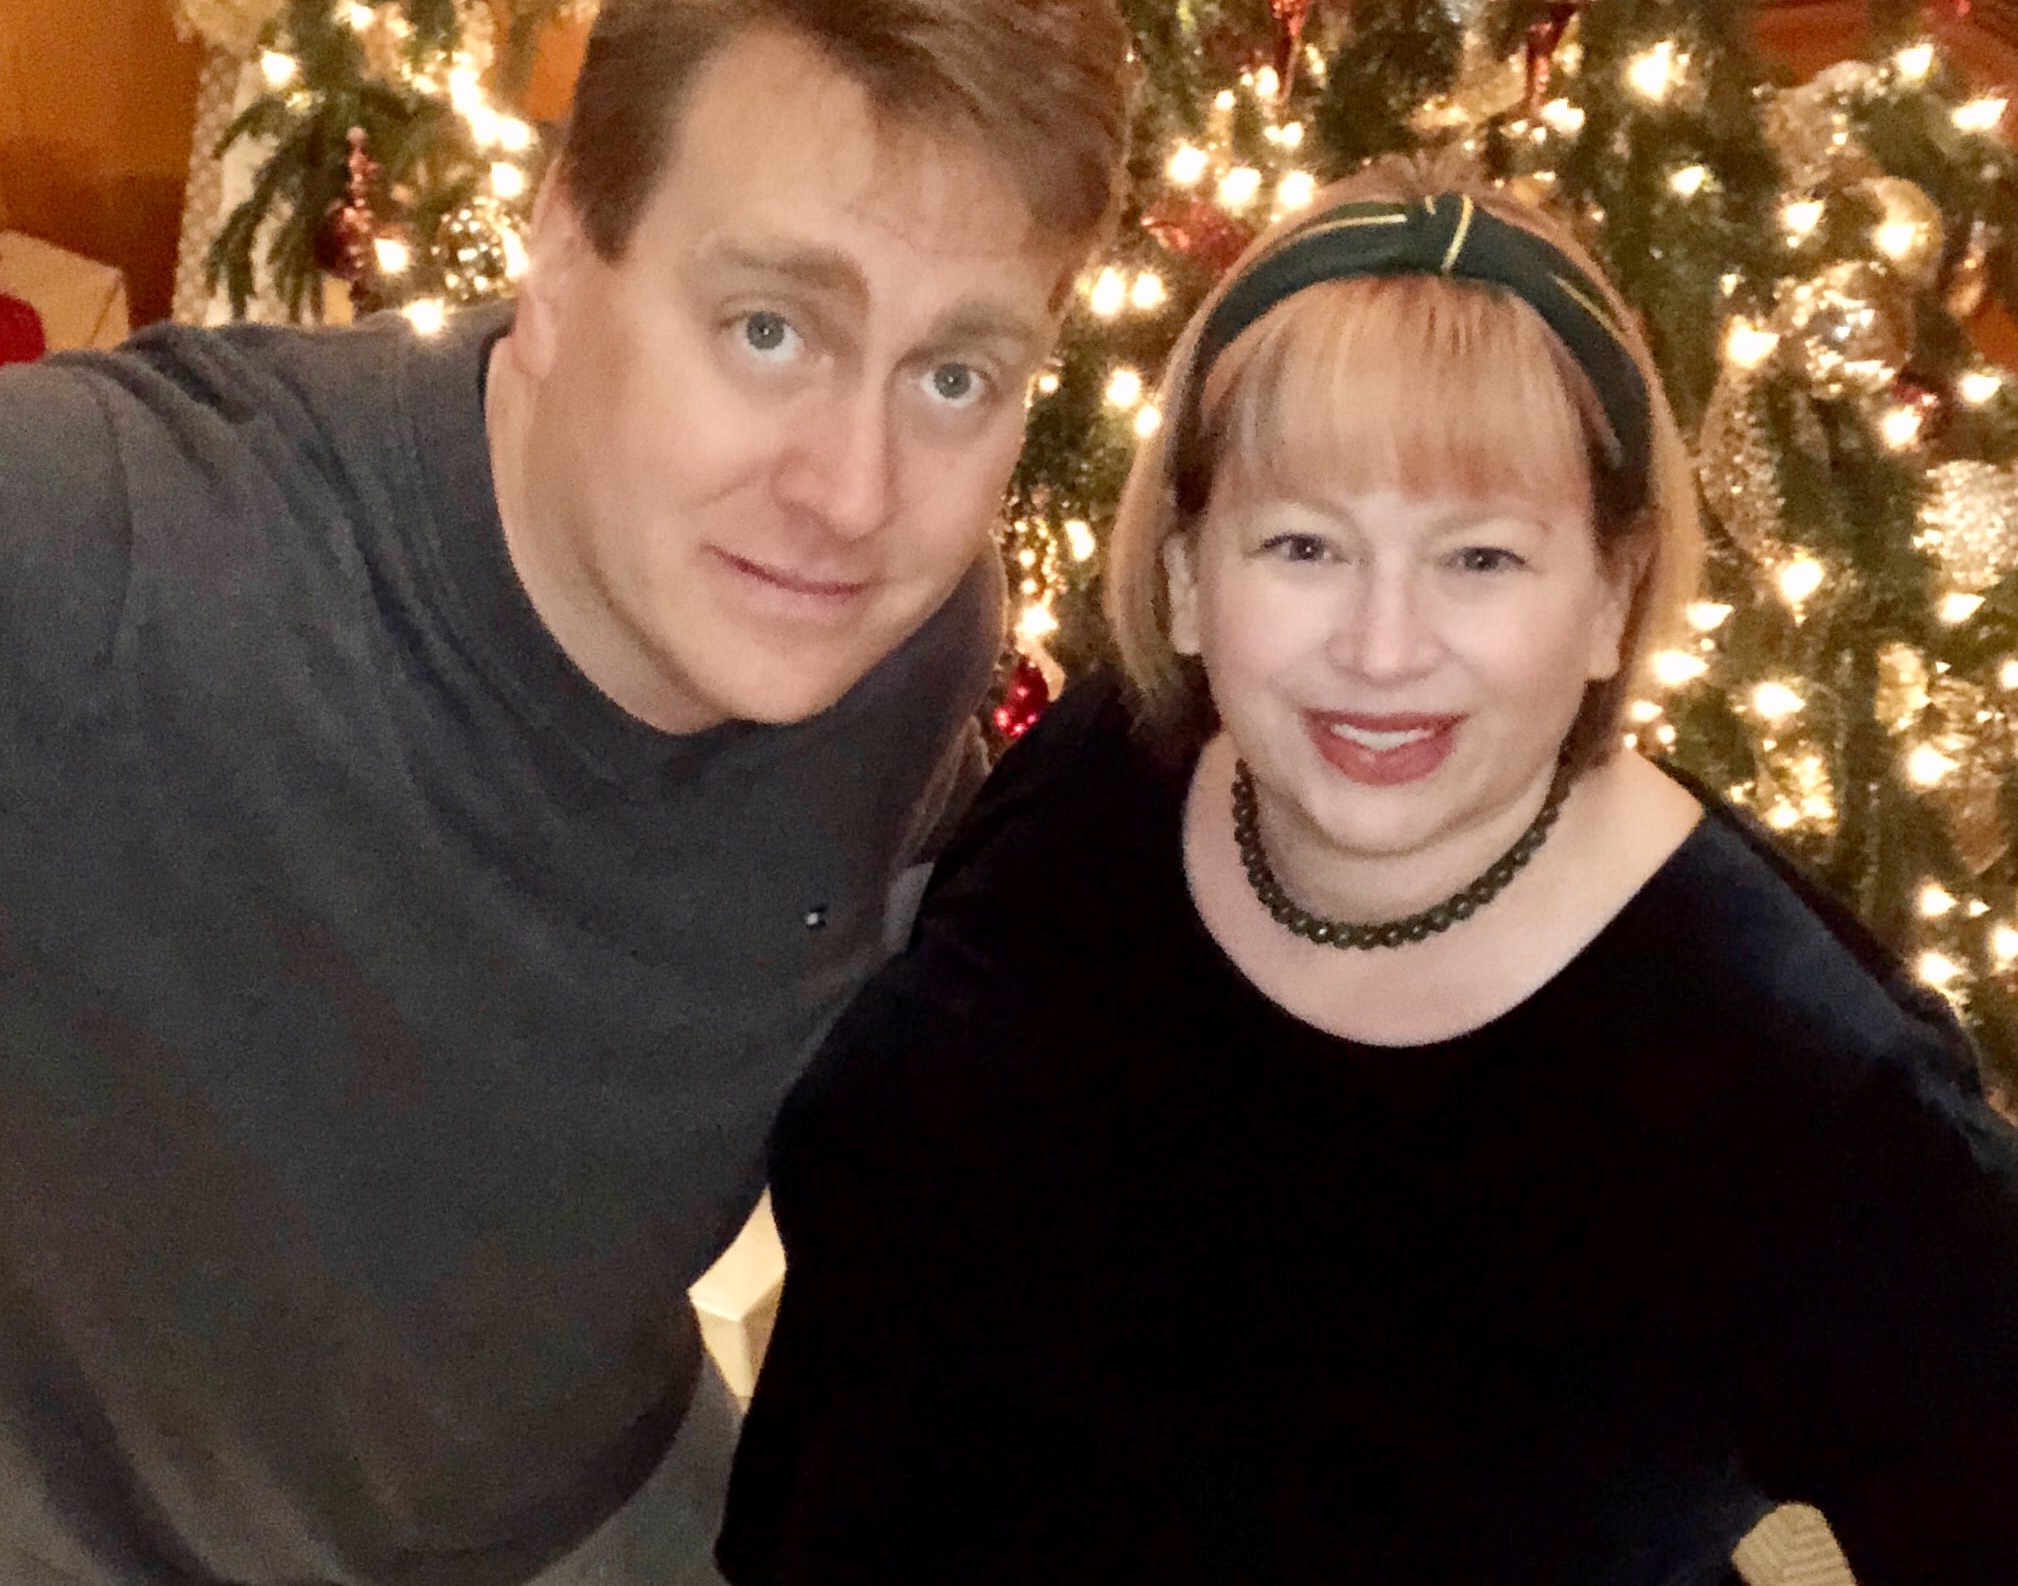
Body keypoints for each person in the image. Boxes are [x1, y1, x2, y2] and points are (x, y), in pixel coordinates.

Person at [0, 0, 1133, 1586]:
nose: (851, 492)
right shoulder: (118, 547)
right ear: (556, 248)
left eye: (953, 376)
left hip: (597, 1521)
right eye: (769, 329)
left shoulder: (903, 642)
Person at [718, 155, 2018, 1586]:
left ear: (1613, 594)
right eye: (1304, 545)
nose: (1382, 650)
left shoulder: (1796, 1076)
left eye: (1479, 560)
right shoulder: (1109, 771)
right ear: (1187, 577)